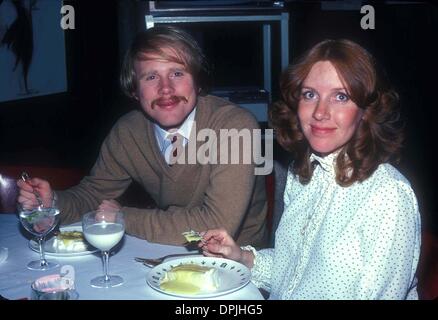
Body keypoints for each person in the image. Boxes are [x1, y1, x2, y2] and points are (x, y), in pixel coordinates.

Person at [200, 39, 421, 299]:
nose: (320, 112)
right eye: (310, 94)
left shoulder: (388, 195)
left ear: (366, 111)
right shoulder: (302, 174)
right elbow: (293, 276)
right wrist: (241, 256)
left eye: (341, 96)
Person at [17, 25, 268, 247]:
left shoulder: (235, 126)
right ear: (135, 91)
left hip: (239, 263)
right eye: (151, 77)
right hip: (168, 249)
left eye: (177, 73)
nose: (166, 88)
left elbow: (217, 225)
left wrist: (124, 218)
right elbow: (94, 196)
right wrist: (53, 202)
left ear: (197, 82)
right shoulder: (128, 132)